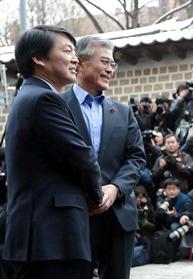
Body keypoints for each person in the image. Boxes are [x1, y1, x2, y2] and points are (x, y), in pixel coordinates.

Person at [4, 25, 103, 279]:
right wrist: (97, 195)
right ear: (39, 58)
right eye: (67, 50)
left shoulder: (29, 96)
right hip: (53, 239)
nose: (75, 59)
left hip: (42, 239)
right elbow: (81, 158)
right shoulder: (44, 99)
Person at [61, 36, 146, 279]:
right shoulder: (56, 106)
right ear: (80, 63)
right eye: (105, 62)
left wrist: (115, 189)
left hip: (118, 215)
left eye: (113, 64)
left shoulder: (123, 112)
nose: (110, 69)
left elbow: (136, 158)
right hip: (77, 213)